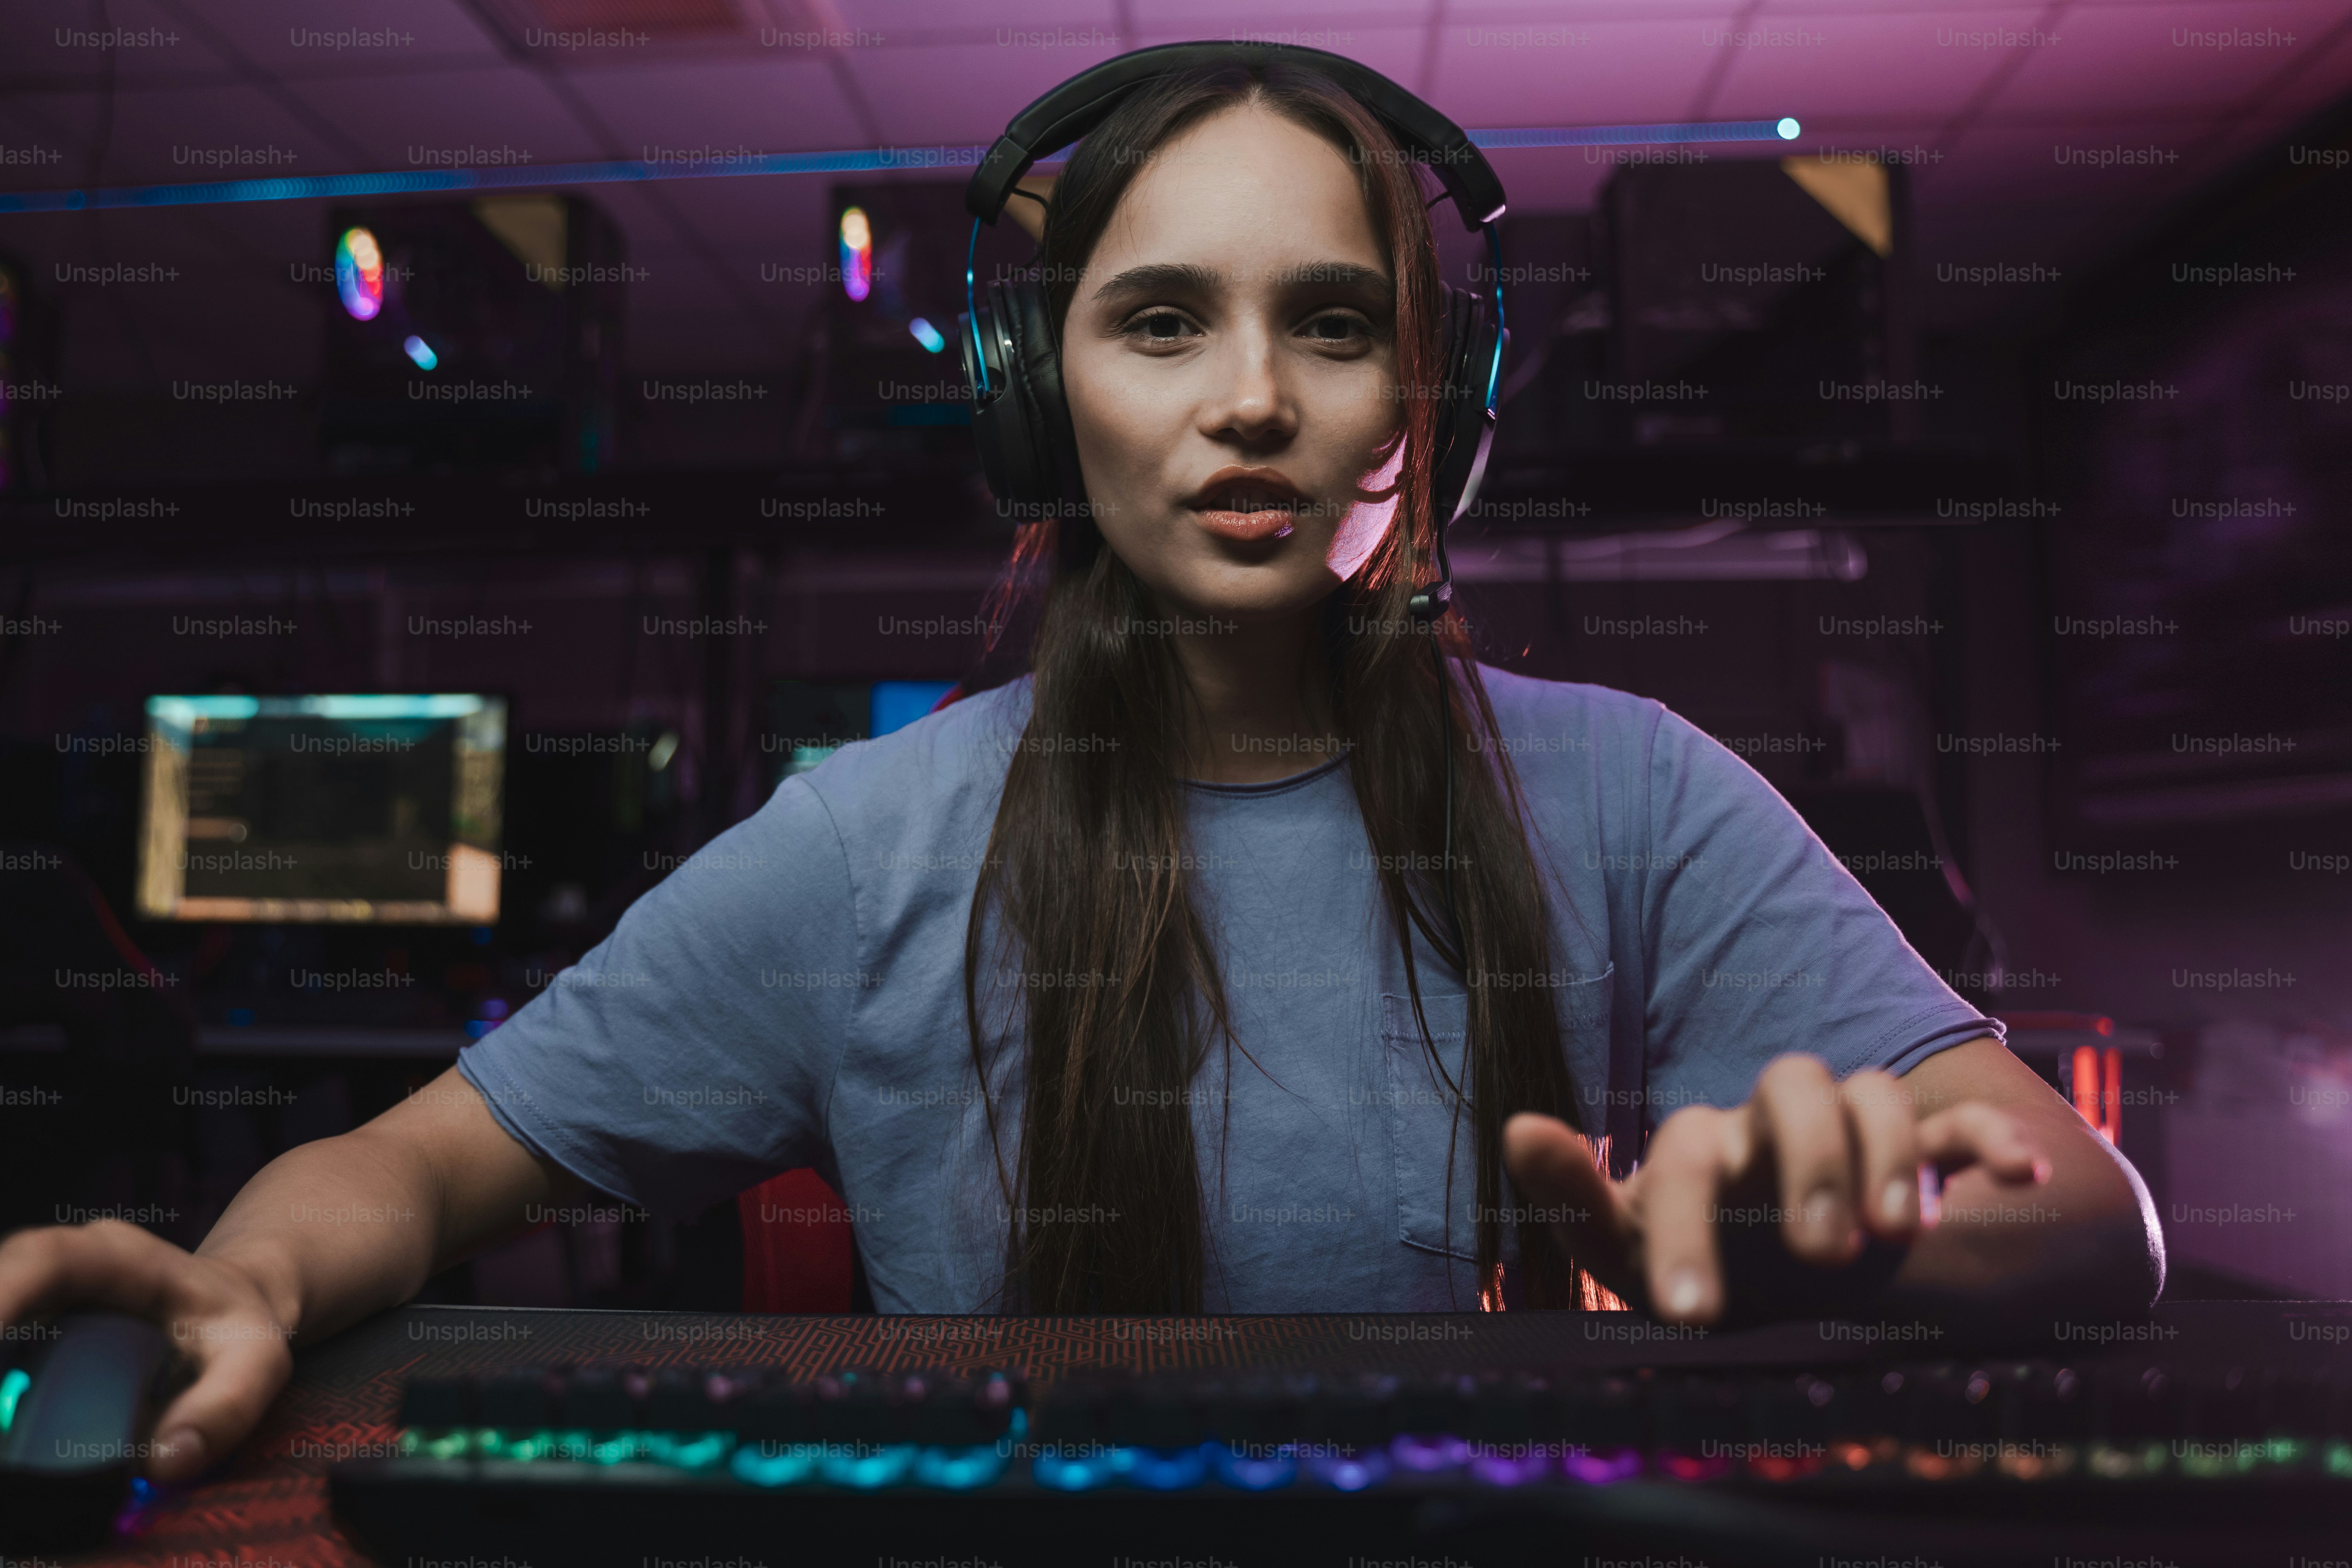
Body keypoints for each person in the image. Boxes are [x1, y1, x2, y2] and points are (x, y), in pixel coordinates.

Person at [0, 53, 2161, 1486]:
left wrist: (1859, 1239)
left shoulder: (1638, 795)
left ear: (1427, 402)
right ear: (1043, 403)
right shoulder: (869, 846)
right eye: (1158, 322)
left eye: (1329, 322)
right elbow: (418, 1170)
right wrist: (246, 1278)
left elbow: (2090, 1224)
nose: (1249, 399)